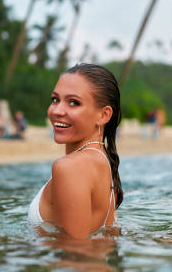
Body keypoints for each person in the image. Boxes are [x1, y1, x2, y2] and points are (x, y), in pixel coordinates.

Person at [28, 63, 123, 239]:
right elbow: (109, 234)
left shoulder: (70, 167)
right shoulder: (103, 163)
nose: (57, 110)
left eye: (73, 102)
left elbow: (74, 255)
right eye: (55, 99)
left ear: (103, 115)